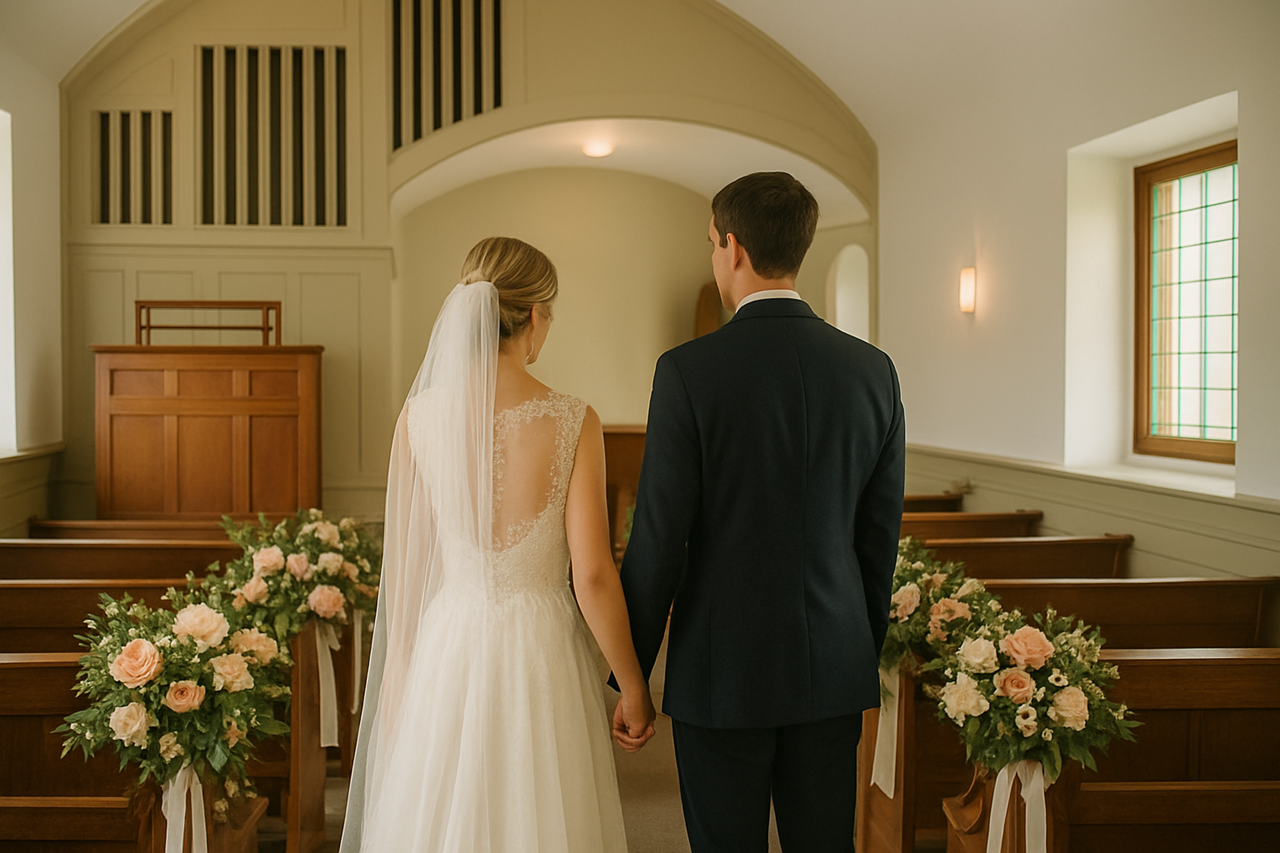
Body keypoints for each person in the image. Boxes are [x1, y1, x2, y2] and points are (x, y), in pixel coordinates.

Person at [615, 172, 905, 852]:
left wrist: (631, 670)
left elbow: (658, 536)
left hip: (723, 669)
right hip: (833, 663)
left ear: (733, 246)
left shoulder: (688, 370)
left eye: (712, 244)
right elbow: (877, 538)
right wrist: (854, 647)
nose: (715, 258)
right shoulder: (873, 371)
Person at [341, 237, 656, 852]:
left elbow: (404, 579)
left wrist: (399, 693)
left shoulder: (419, 419)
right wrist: (635, 687)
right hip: (539, 652)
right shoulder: (573, 419)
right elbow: (592, 575)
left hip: (447, 644)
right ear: (534, 315)